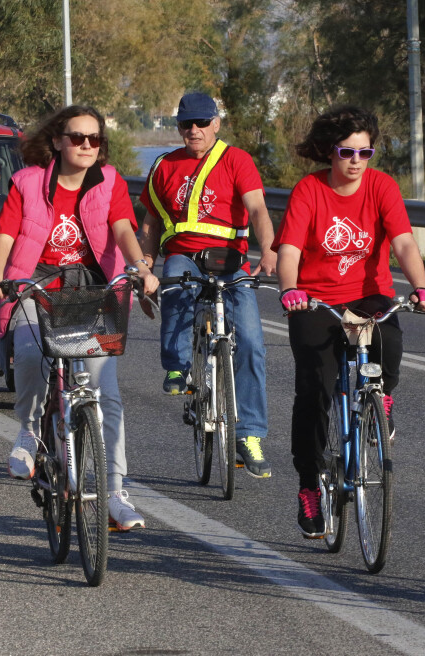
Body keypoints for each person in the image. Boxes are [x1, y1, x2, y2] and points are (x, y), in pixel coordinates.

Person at [0, 105, 160, 531]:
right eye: (77, 137)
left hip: (93, 292)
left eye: (94, 139)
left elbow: (122, 229)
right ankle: (28, 433)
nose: (85, 145)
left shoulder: (110, 182)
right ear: (58, 141)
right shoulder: (27, 183)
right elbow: (6, 233)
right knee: (28, 353)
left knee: (106, 393)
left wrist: (140, 267)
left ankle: (116, 493)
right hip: (37, 286)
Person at [275, 105, 425, 537]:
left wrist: (420, 286)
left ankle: (380, 397)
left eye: (365, 153)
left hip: (369, 297)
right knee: (313, 391)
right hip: (315, 300)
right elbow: (289, 250)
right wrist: (290, 289)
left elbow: (402, 242)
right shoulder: (309, 190)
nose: (355, 162)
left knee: (391, 342)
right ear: (330, 152)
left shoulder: (382, 187)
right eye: (347, 152)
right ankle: (309, 486)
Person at [138, 92, 277, 479]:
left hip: (230, 260)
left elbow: (258, 209)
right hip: (184, 253)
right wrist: (146, 266)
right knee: (177, 290)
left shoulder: (236, 160)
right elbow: (149, 223)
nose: (194, 130)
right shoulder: (164, 165)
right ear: (178, 126)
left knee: (250, 340)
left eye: (201, 123)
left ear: (216, 123)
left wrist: (268, 249)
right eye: (186, 124)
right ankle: (178, 367)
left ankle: (249, 436)